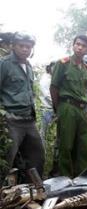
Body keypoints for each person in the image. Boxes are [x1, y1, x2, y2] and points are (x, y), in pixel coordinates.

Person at [0, 32, 44, 177]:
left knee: (37, 157)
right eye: (21, 46)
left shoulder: (29, 67)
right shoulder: (4, 64)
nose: (25, 49)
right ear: (13, 46)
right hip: (11, 120)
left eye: (28, 47)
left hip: (29, 120)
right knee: (7, 158)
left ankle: (34, 193)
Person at [50, 35, 87, 178]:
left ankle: (82, 178)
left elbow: (85, 91)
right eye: (77, 44)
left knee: (84, 145)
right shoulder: (62, 64)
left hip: (82, 109)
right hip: (67, 106)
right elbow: (54, 87)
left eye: (83, 46)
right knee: (66, 145)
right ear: (73, 45)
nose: (80, 47)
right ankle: (65, 178)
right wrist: (59, 109)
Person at [39, 61, 55, 146]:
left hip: (53, 109)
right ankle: (42, 152)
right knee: (44, 132)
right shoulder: (45, 79)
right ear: (49, 67)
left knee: (51, 132)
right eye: (53, 67)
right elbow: (47, 95)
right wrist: (56, 103)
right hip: (47, 109)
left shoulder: (53, 79)